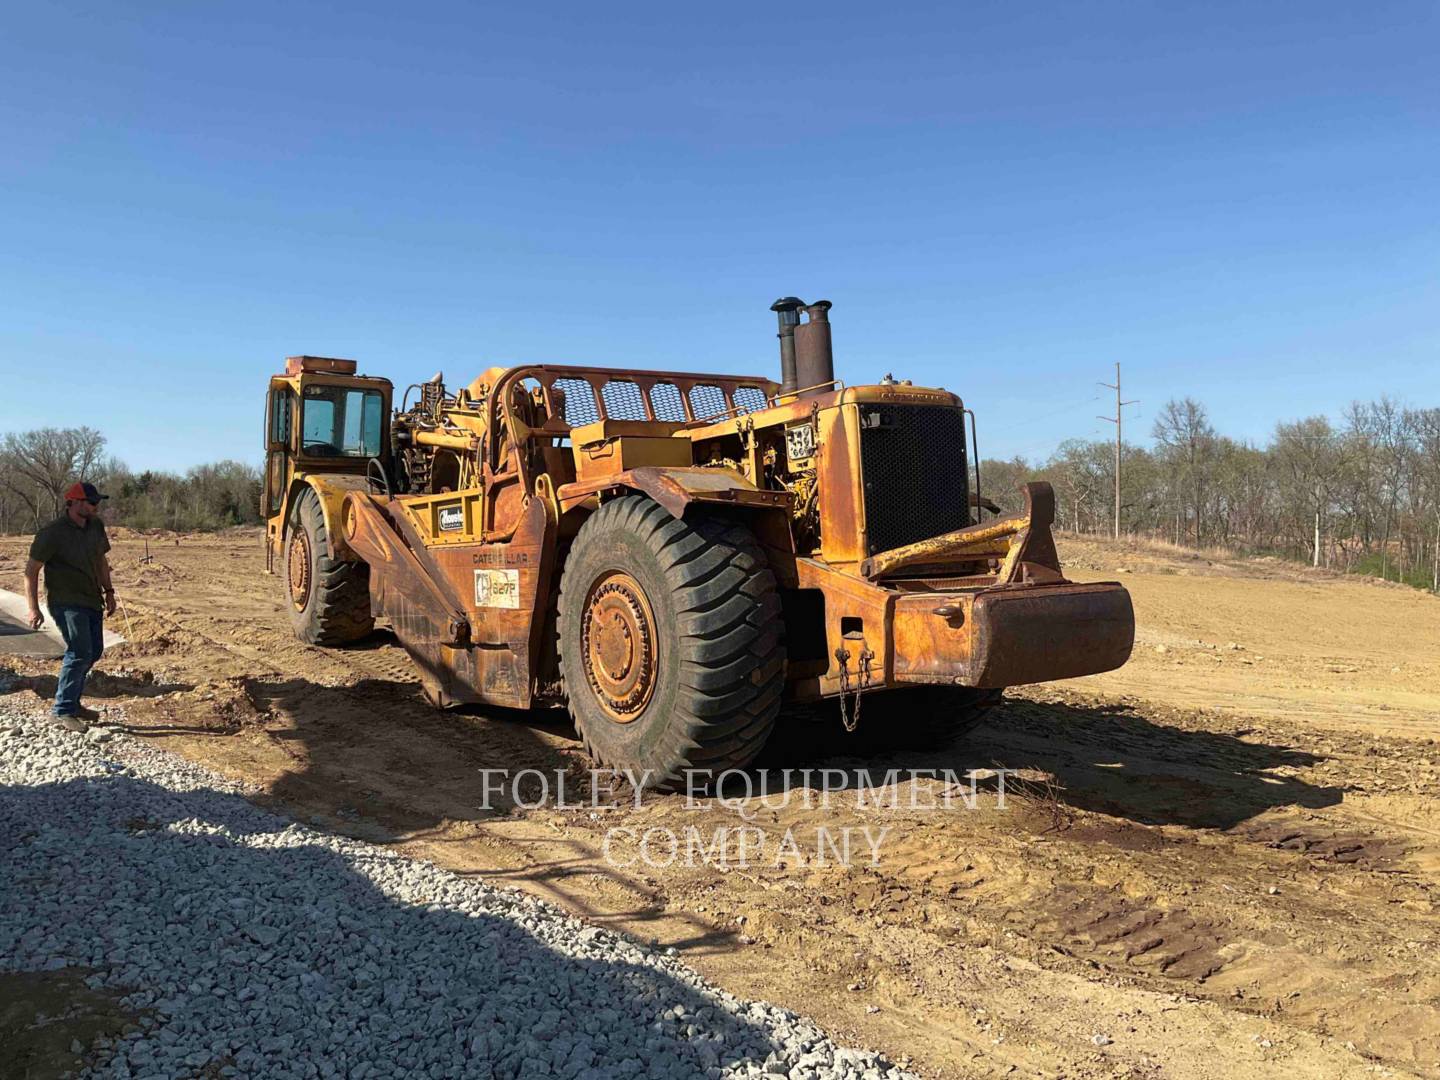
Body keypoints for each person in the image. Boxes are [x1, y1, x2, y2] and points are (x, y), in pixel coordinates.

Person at [24, 481, 117, 731]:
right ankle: (62, 710)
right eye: (92, 502)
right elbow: (31, 571)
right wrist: (34, 608)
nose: (96, 507)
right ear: (75, 502)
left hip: (91, 599)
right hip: (65, 602)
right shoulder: (52, 533)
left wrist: (109, 592)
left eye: (97, 502)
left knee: (94, 650)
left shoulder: (95, 526)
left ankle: (72, 703)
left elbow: (101, 560)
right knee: (79, 651)